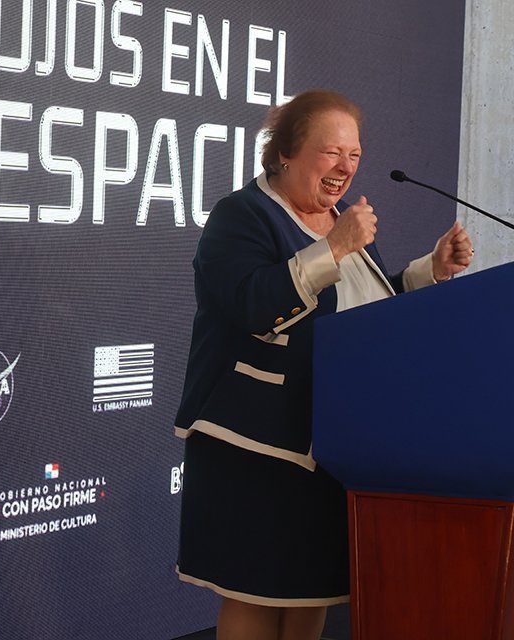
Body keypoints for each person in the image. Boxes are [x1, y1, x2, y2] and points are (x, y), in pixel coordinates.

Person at [174, 90, 473, 640]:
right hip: (257, 445)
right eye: (331, 151)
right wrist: (332, 248)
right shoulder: (242, 215)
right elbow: (254, 307)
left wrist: (429, 270)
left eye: (354, 154)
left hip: (329, 442)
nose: (345, 167)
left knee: (306, 592)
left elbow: (364, 311)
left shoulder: (340, 221)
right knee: (255, 592)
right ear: (285, 153)